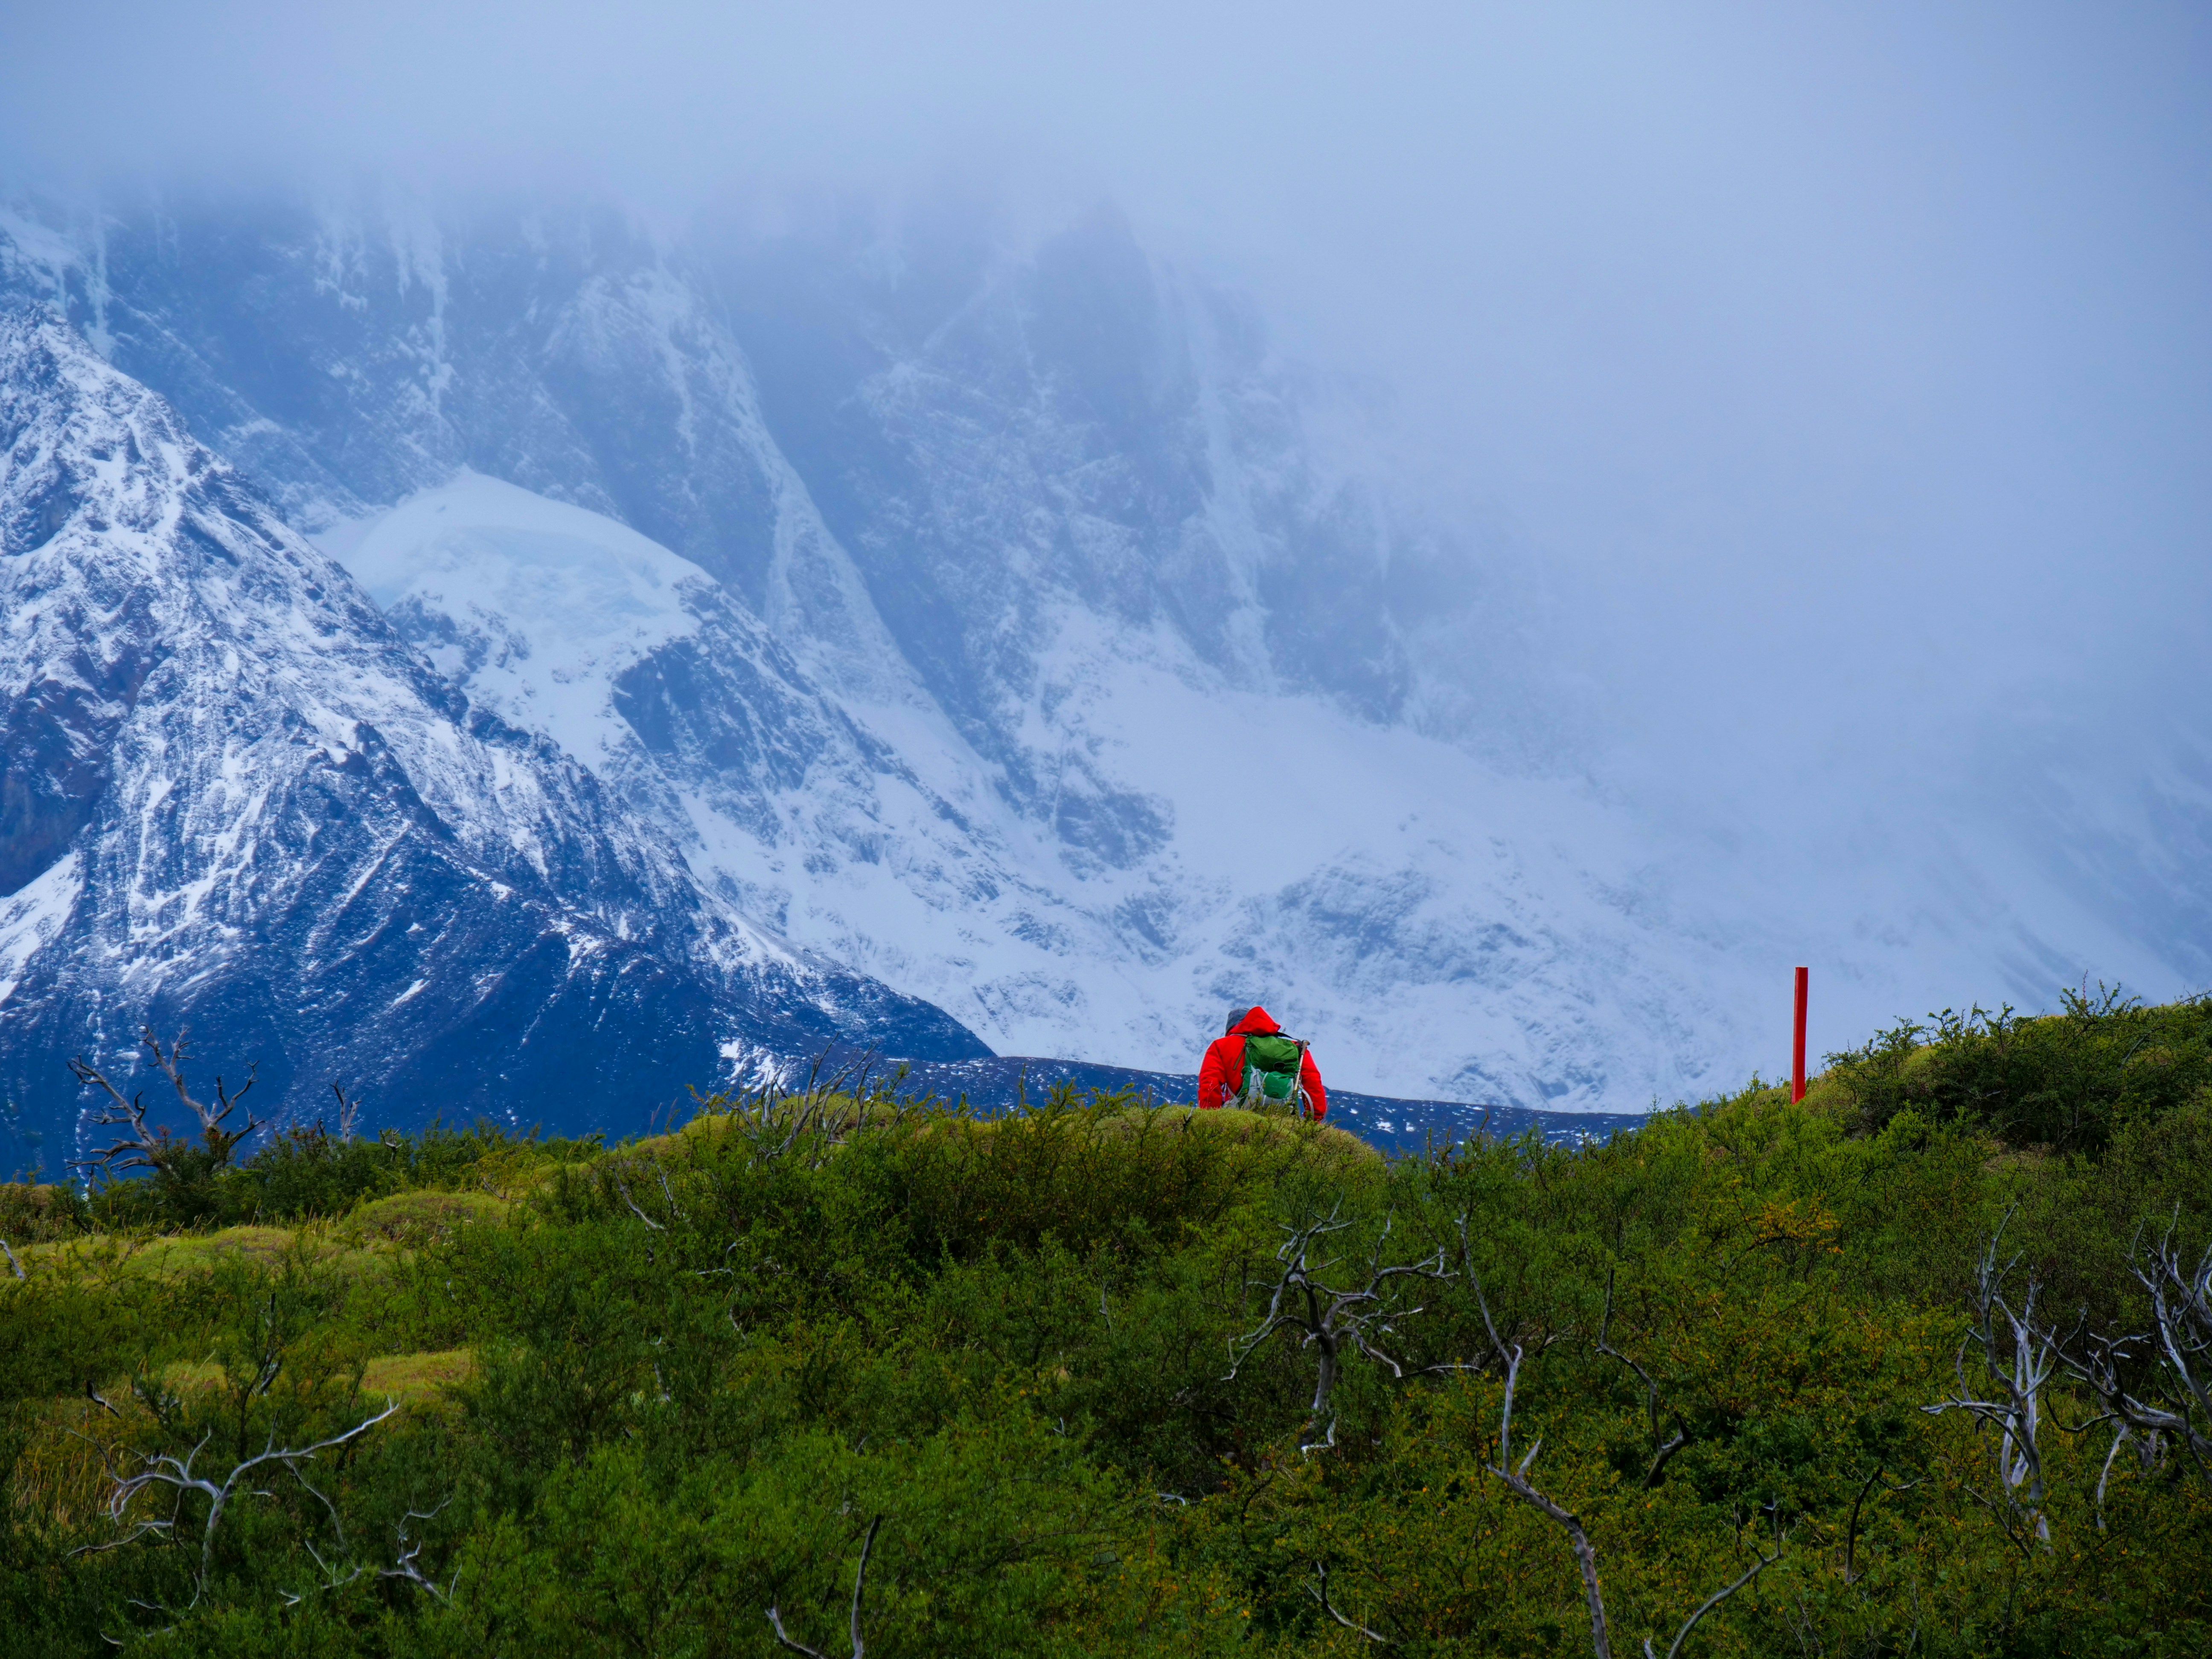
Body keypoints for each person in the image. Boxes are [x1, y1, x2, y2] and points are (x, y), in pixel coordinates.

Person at [1198, 1006, 1327, 1120]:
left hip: (1237, 1119)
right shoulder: (1295, 1047)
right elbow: (1313, 1082)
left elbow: (1210, 1084)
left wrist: (1210, 1118)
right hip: (1282, 1122)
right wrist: (1315, 1119)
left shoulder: (1221, 1046)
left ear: (1231, 1029)